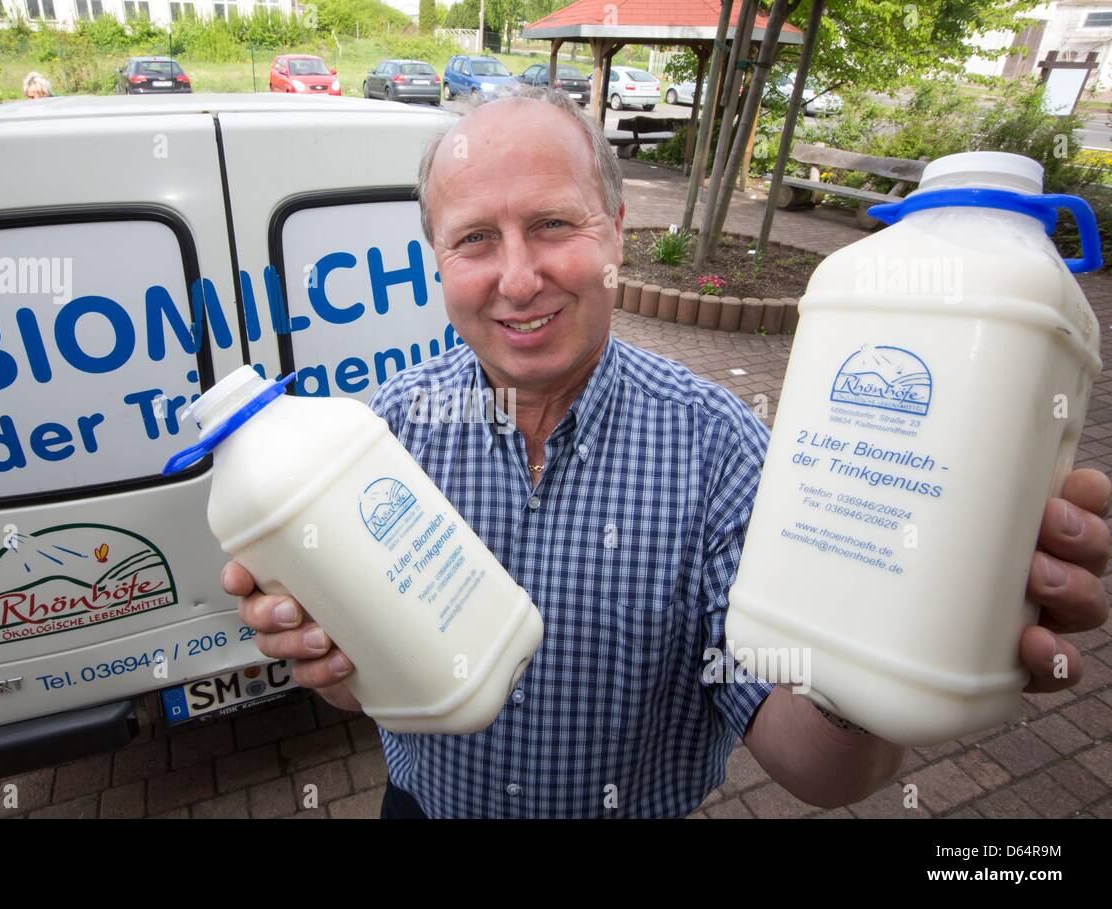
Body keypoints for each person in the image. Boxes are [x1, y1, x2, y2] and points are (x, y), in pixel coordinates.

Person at [223, 86, 1111, 818]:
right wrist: (328, 666)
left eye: (554, 225)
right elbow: (359, 692)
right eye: (475, 239)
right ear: (435, 260)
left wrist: (897, 638)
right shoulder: (375, 443)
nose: (519, 277)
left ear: (614, 230)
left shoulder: (724, 451)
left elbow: (820, 768)